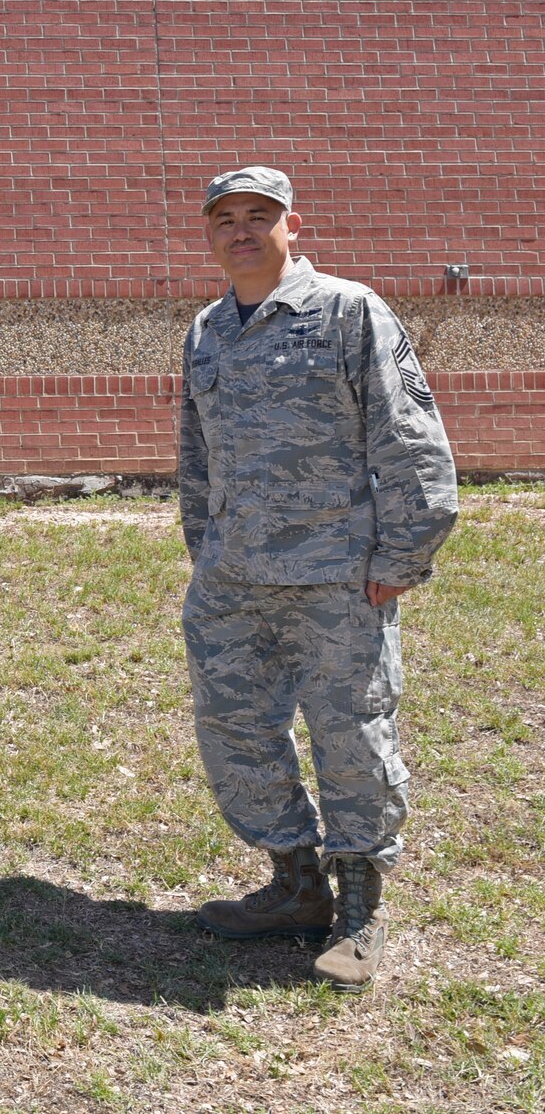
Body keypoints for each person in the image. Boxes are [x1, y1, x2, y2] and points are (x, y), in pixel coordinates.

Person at [180, 166, 458, 993]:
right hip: (234, 582)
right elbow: (196, 456)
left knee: (353, 739)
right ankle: (295, 884)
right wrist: (208, 552)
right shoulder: (205, 329)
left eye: (258, 215)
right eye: (224, 218)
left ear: (293, 225)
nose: (240, 230)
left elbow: (412, 440)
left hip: (338, 579)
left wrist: (401, 559)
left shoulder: (348, 310)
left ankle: (360, 907)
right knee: (238, 733)